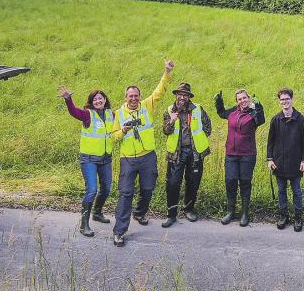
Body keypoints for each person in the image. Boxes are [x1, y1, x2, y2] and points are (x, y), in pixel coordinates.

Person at [111, 60, 174, 247]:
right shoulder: (118, 113)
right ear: (125, 97)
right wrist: (123, 130)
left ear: (139, 96)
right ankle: (119, 232)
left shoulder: (147, 106)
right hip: (128, 159)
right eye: (130, 96)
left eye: (136, 95)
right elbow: (114, 137)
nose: (133, 98)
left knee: (148, 189)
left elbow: (159, 91)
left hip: (148, 157)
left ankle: (139, 212)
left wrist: (167, 72)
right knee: (126, 193)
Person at [57, 86, 114, 237]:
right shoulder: (88, 114)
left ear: (105, 100)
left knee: (107, 188)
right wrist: (68, 99)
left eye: (100, 98)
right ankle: (84, 224)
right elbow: (74, 112)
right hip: (89, 159)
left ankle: (97, 213)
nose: (98, 100)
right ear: (91, 102)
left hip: (106, 158)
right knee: (92, 190)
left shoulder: (111, 114)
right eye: (95, 99)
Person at [161, 83, 212, 228]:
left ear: (189, 97)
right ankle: (171, 214)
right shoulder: (169, 110)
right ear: (176, 95)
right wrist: (171, 120)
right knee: (172, 183)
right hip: (177, 154)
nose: (182, 97)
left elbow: (208, 127)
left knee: (193, 181)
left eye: (185, 95)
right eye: (180, 94)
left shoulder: (198, 109)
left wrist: (198, 142)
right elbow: (165, 131)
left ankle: (189, 209)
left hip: (194, 153)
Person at [215, 88, 265, 227]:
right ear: (237, 101)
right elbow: (222, 113)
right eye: (239, 99)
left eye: (244, 98)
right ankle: (230, 212)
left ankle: (244, 213)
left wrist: (259, 107)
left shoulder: (253, 112)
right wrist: (219, 103)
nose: (242, 101)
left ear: (249, 98)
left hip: (247, 154)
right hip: (231, 153)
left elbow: (261, 120)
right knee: (230, 181)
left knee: (245, 182)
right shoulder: (233, 111)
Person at [267, 87, 304, 232]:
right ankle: (283, 216)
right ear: (279, 102)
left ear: (291, 99)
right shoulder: (275, 120)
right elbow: (270, 142)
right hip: (278, 163)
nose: (284, 102)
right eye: (282, 100)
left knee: (296, 191)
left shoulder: (301, 119)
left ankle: (298, 217)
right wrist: (270, 159)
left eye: (287, 99)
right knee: (281, 191)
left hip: (295, 163)